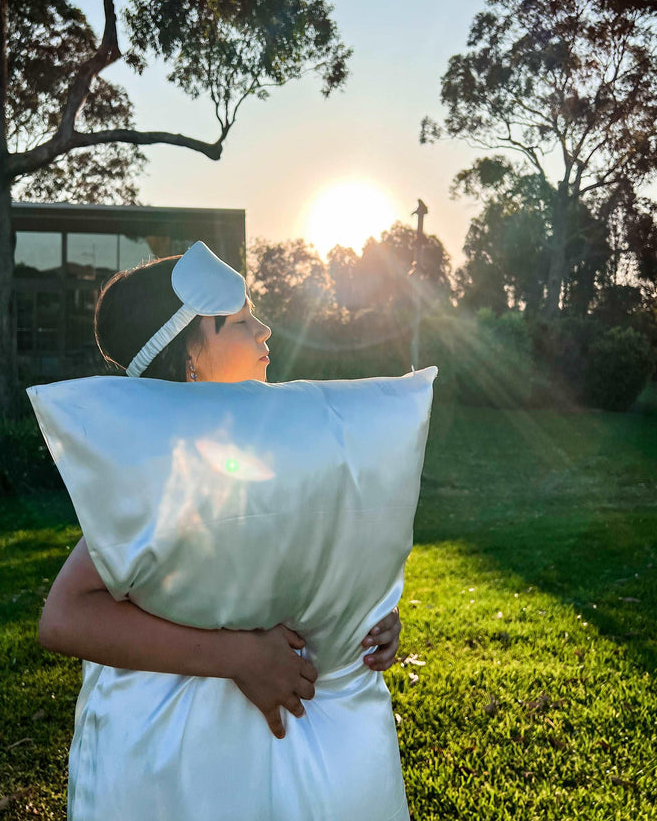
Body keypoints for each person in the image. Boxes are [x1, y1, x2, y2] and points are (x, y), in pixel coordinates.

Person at [38, 245, 403, 756]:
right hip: (182, 741)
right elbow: (65, 616)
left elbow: (304, 570)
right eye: (237, 321)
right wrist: (240, 656)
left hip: (285, 734)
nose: (264, 330)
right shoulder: (168, 470)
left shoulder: (271, 453)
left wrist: (365, 618)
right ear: (190, 356)